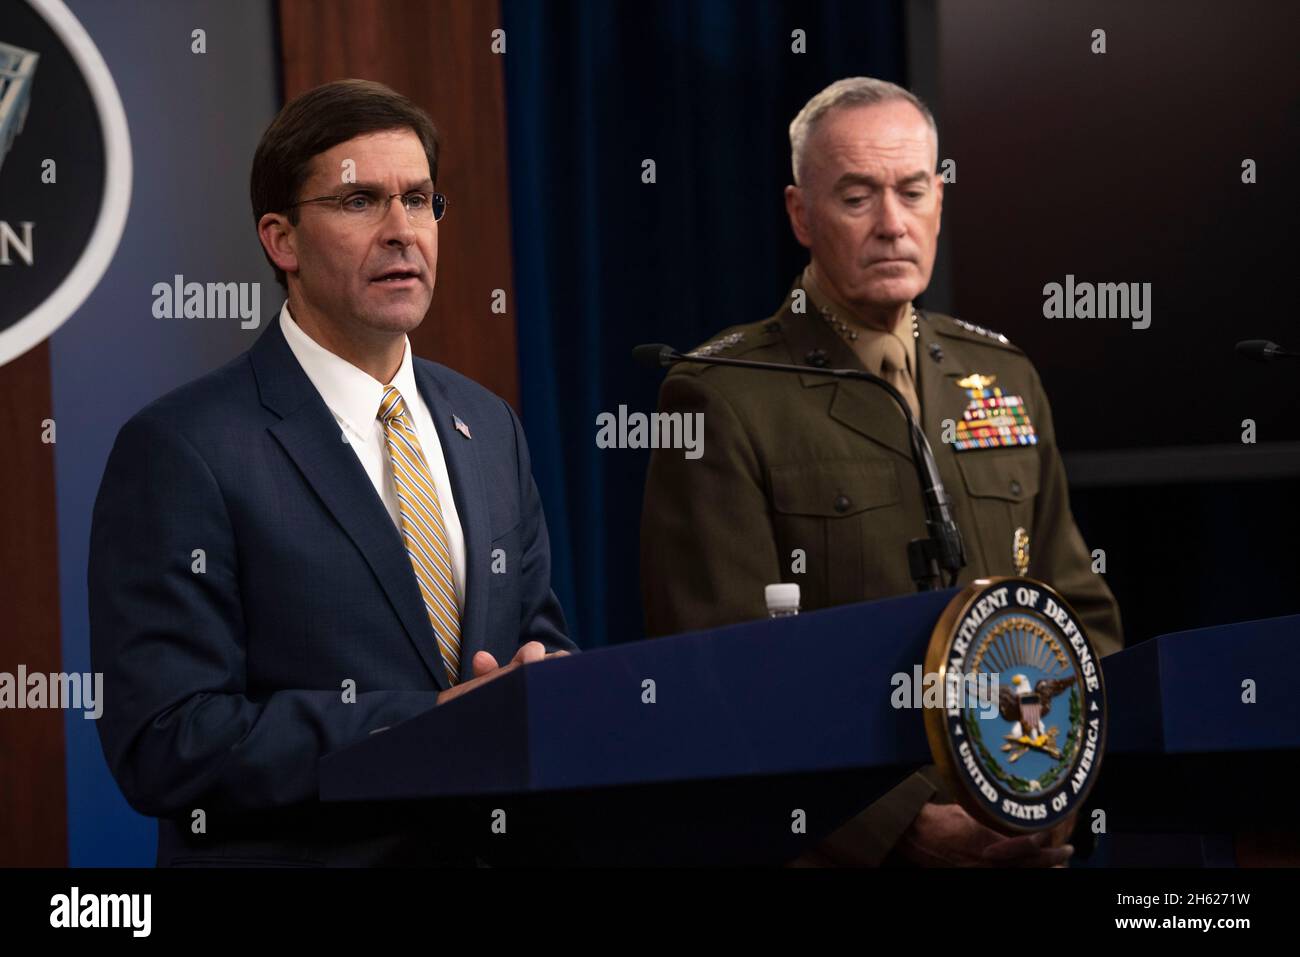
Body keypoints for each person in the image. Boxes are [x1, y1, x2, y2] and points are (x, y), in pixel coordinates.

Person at [89, 80, 574, 867]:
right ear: (281, 240)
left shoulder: (488, 426)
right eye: (360, 202)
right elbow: (165, 737)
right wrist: (424, 727)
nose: (401, 232)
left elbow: (535, 647)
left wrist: (557, 691)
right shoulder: (184, 449)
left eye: (419, 200)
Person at [639, 77, 1121, 867]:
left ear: (940, 196)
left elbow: (1082, 615)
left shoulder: (999, 373)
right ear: (801, 214)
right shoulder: (722, 395)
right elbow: (719, 670)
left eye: (913, 190)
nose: (893, 224)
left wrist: (1054, 792)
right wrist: (898, 827)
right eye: (857, 196)